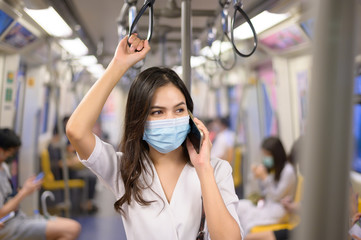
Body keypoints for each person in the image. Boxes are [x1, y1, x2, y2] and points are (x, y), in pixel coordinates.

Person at [66, 34, 243, 239]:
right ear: (139, 121)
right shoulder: (124, 170)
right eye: (157, 112)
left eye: (179, 110)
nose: (170, 119)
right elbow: (76, 131)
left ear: (191, 116)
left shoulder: (217, 170)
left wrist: (204, 169)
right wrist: (118, 65)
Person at [0, 128, 81, 240]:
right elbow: (1, 213)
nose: (12, 155)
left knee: (71, 225)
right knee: (72, 229)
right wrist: (24, 192)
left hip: (18, 217)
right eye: (11, 151)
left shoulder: (3, 167)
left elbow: (7, 197)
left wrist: (23, 189)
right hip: (7, 225)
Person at [237, 136, 297, 235]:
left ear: (275, 154)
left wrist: (265, 177)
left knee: (247, 221)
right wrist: (258, 177)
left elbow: (276, 196)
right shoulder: (274, 168)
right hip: (268, 205)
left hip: (279, 210)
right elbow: (263, 192)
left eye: (267, 155)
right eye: (264, 154)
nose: (265, 158)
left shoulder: (288, 171)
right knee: (239, 206)